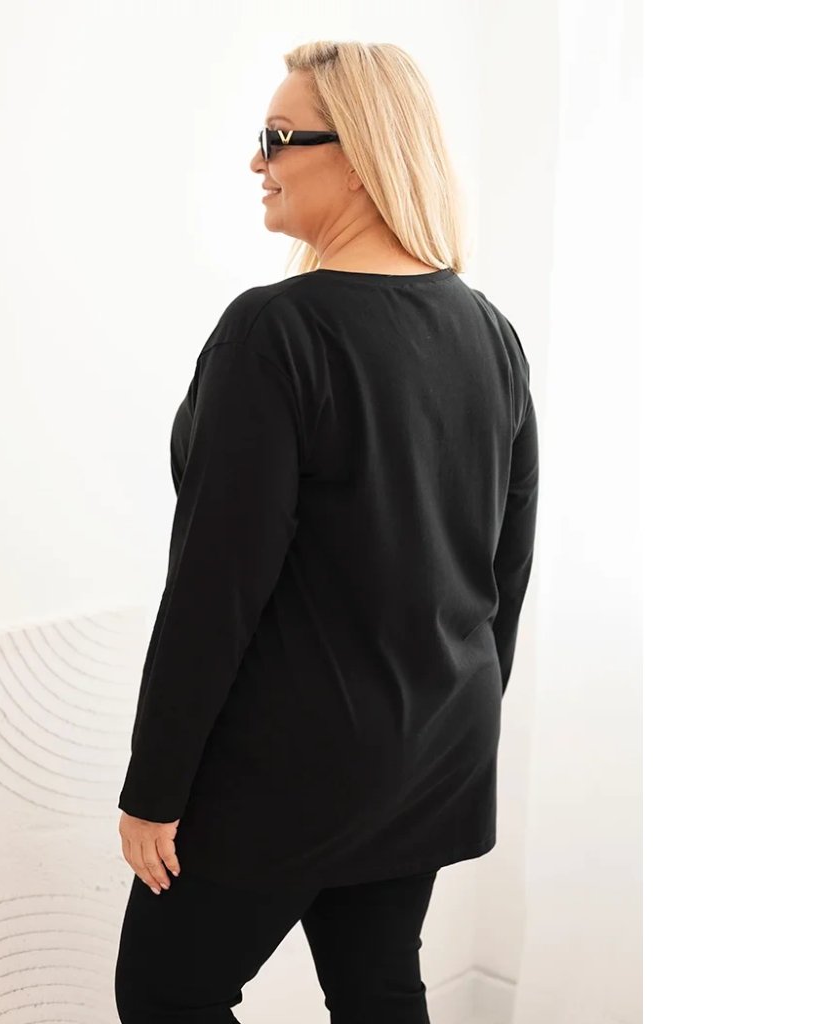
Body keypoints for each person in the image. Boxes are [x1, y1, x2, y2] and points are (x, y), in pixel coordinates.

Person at [114, 40, 539, 1023]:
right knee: (377, 987)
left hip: (290, 764)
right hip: (430, 749)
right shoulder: (490, 333)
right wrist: (442, 723)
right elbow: (502, 576)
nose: (255, 162)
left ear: (358, 155)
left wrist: (154, 789)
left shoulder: (276, 333)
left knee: (165, 993)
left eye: (276, 138)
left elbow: (215, 589)